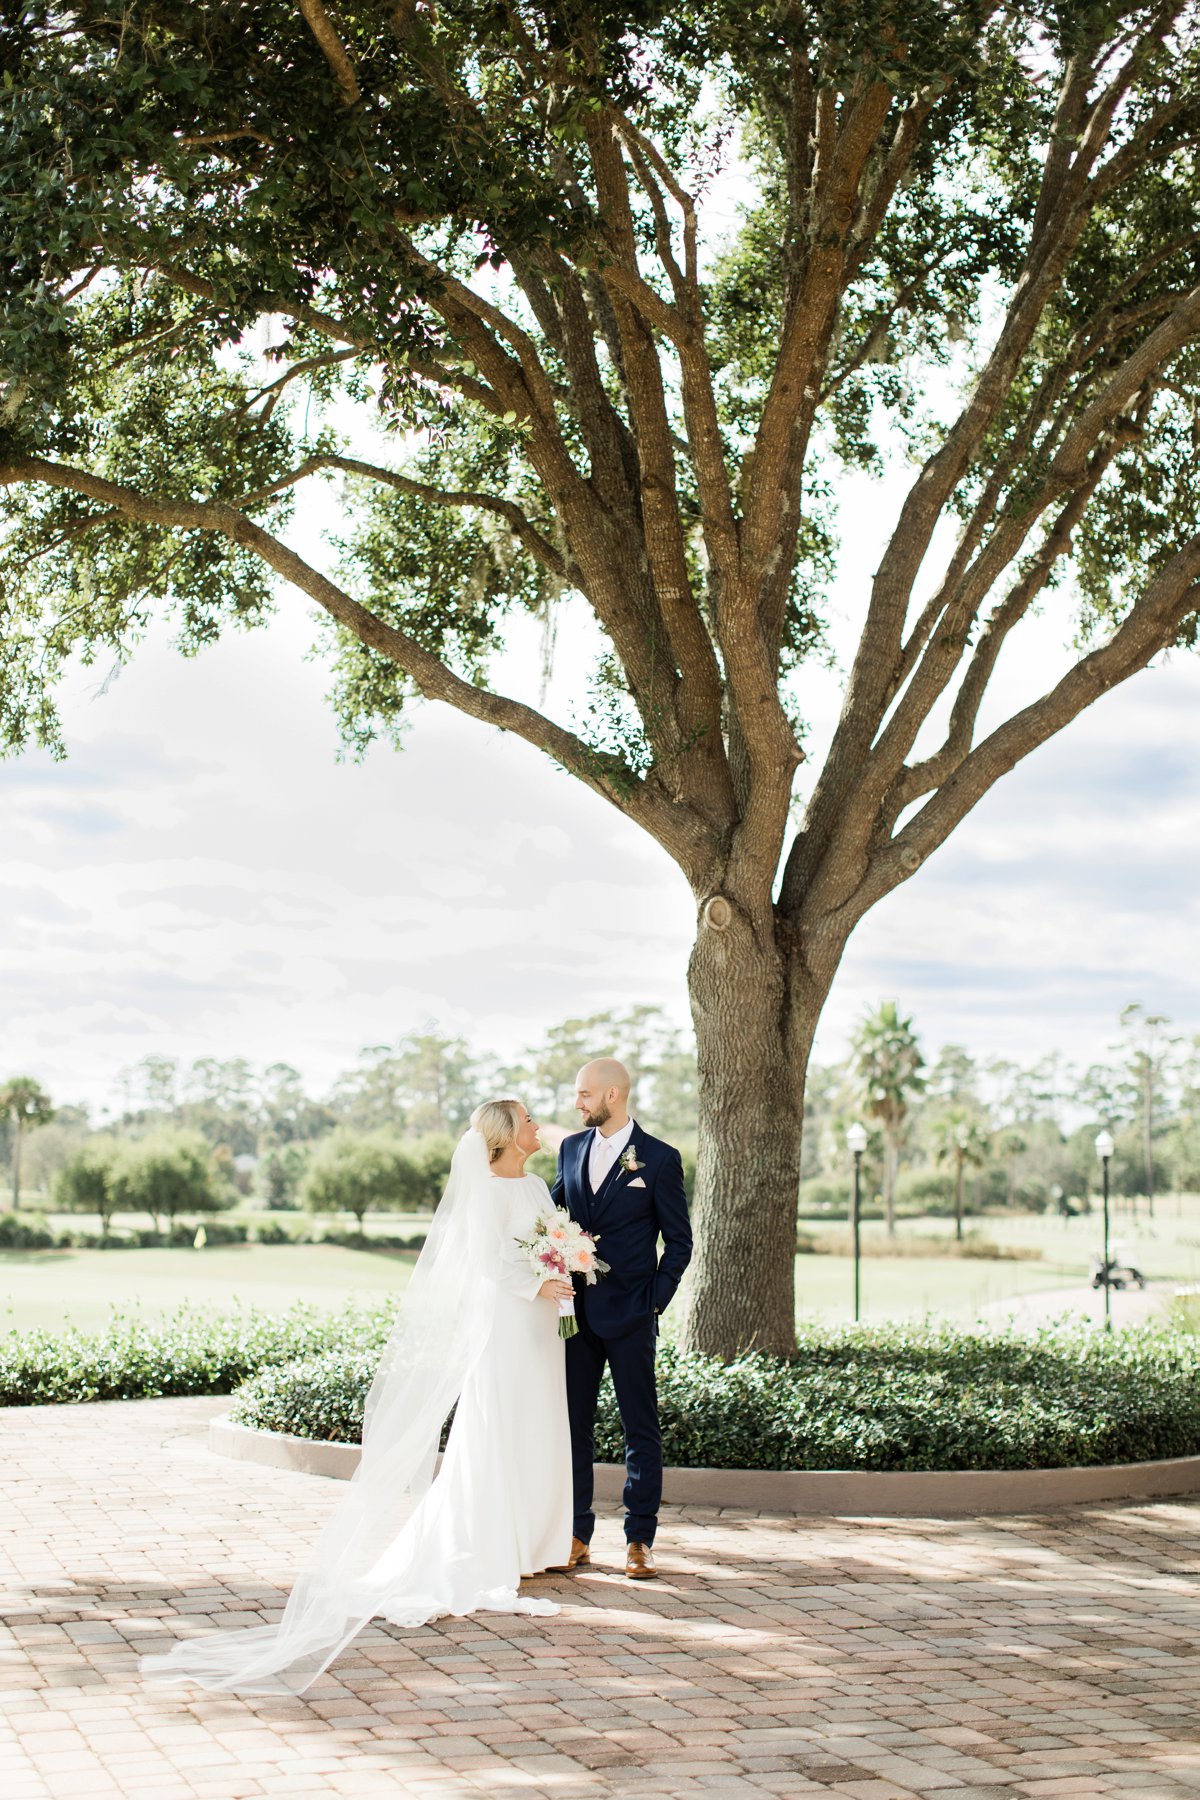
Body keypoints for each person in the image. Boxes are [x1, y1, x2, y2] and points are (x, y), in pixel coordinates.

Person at [141, 1100, 574, 1695]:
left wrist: (565, 1266)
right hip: (506, 1321)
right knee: (502, 1422)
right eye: (526, 1120)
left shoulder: (536, 1186)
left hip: (544, 1327)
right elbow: (484, 1262)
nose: (535, 1125)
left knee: (540, 1421)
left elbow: (551, 1239)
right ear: (504, 1136)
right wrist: (535, 1281)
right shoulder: (487, 1193)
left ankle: (538, 1539)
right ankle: (497, 1541)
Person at [550, 1058, 692, 1581]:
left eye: (585, 1094)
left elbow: (680, 1241)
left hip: (632, 1315)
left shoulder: (659, 1159)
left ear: (613, 1095)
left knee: (640, 1429)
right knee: (573, 1428)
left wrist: (654, 1300)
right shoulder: (569, 1150)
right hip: (576, 1315)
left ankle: (639, 1540)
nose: (578, 1102)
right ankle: (576, 1533)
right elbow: (553, 1220)